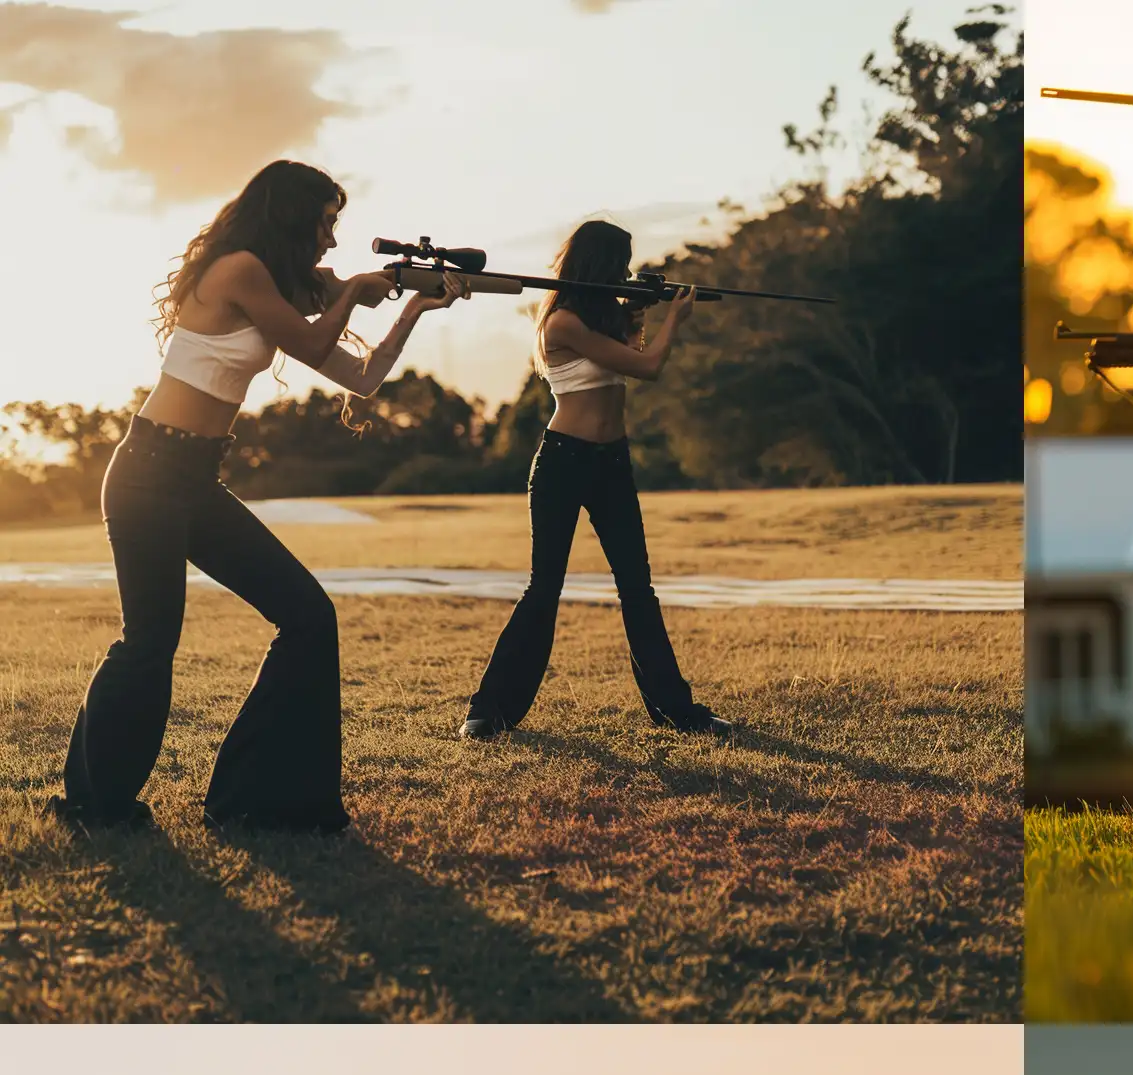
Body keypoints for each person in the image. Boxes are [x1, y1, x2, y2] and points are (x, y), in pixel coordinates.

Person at [54, 159, 466, 832]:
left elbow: (362, 379)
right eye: (326, 222)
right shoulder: (240, 268)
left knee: (308, 616)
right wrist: (354, 289)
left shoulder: (277, 286)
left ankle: (259, 799)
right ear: (292, 215)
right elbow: (309, 341)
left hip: (193, 479)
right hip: (148, 472)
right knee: (149, 644)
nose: (332, 239)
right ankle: (92, 806)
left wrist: (415, 306)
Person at [460, 220, 727, 739]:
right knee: (544, 588)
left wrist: (638, 312)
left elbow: (628, 355)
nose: (626, 273)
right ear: (599, 265)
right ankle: (489, 713)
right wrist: (677, 317)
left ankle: (676, 711)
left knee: (637, 589)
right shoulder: (562, 323)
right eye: (620, 265)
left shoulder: (600, 318)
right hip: (565, 460)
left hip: (612, 462)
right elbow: (647, 367)